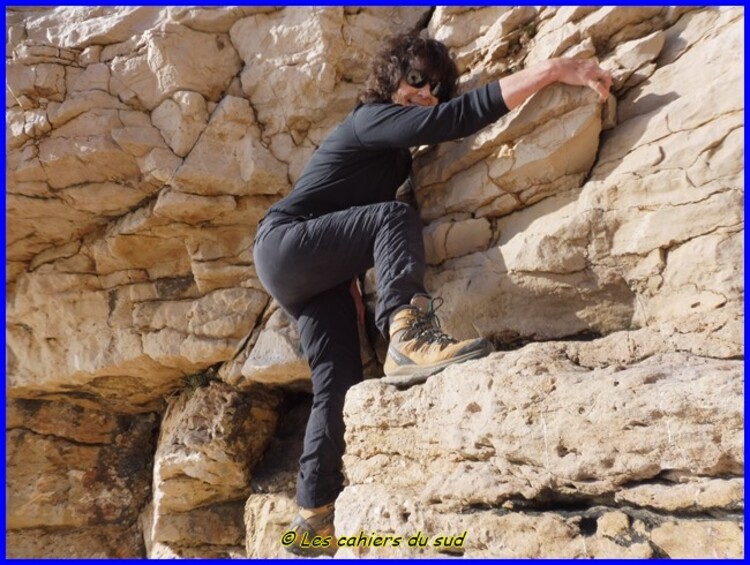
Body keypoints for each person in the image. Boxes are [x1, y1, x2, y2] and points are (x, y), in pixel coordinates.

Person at [252, 32, 612, 556]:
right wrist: (554, 69)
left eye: (435, 88)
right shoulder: (370, 117)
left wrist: (350, 282)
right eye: (415, 79)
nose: (425, 93)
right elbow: (454, 120)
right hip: (285, 243)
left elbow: (347, 219)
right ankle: (409, 335)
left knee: (339, 384)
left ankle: (311, 519)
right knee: (394, 216)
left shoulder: (394, 155)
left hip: (312, 273)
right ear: (391, 76)